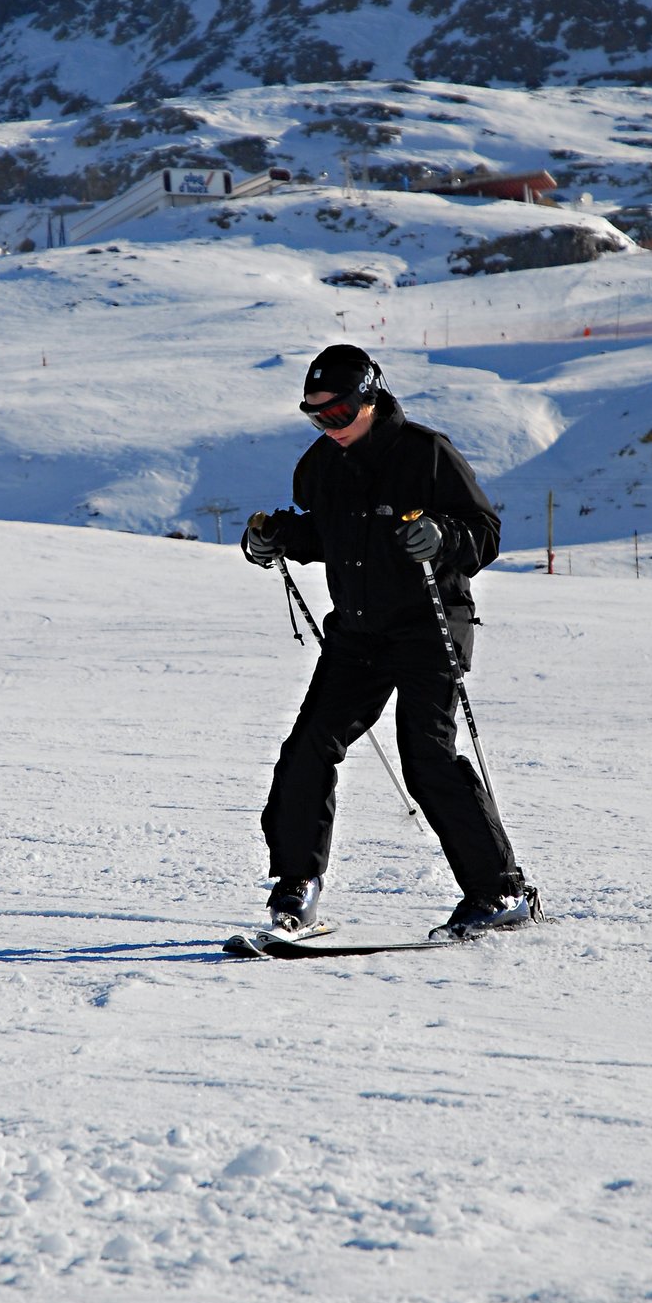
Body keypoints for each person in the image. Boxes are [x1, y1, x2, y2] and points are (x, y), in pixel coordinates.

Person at [242, 344, 531, 940]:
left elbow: (486, 533)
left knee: (426, 757)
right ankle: (298, 884)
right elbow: (328, 533)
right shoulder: (321, 465)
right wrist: (276, 540)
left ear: (370, 399)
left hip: (428, 625)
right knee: (308, 748)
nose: (329, 427)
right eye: (316, 416)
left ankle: (499, 892)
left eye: (339, 414)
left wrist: (443, 535)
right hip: (358, 632)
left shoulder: (426, 453)